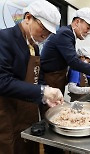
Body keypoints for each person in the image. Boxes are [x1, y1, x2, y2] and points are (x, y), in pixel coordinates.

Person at [40, 7, 90, 154]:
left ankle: (55, 149)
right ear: (77, 22)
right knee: (51, 120)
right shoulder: (65, 33)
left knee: (55, 115)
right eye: (88, 28)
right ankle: (52, 150)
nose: (89, 32)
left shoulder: (69, 35)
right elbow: (74, 62)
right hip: (49, 81)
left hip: (56, 80)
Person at [0, 1, 63, 154]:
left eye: (49, 32)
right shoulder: (4, 38)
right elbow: (2, 81)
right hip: (8, 111)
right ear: (28, 17)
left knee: (29, 146)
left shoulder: (34, 47)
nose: (45, 35)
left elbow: (37, 76)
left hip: (27, 112)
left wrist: (46, 94)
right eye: (43, 28)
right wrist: (41, 91)